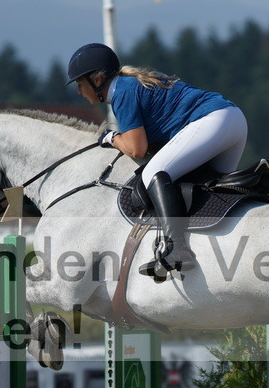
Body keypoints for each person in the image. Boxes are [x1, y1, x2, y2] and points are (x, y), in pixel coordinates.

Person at [67, 43, 248, 281]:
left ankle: (177, 249)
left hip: (213, 121)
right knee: (206, 193)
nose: (79, 91)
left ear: (98, 80)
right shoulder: (130, 84)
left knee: (154, 172)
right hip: (233, 121)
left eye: (81, 84)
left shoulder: (122, 92)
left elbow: (135, 148)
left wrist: (111, 138)